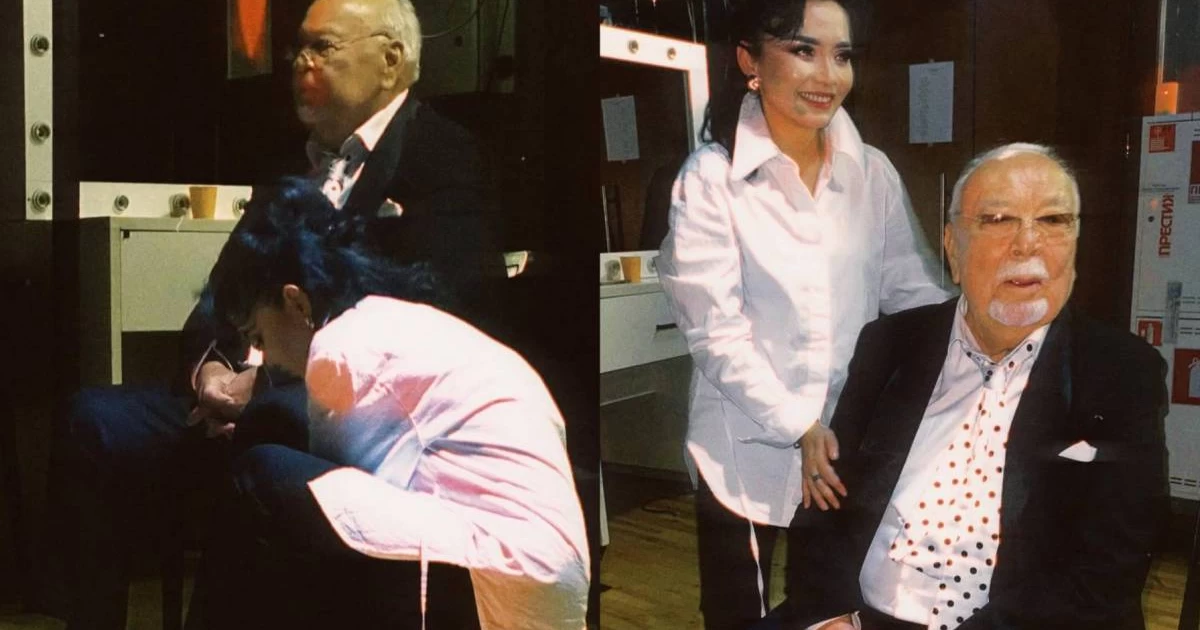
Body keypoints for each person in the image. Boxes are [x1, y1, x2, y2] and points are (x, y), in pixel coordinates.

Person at [56, 0, 502, 627]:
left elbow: (437, 312)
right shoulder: (290, 167)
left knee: (269, 430)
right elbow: (224, 291)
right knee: (94, 419)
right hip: (239, 393)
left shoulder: (446, 156)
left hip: (346, 408)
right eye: (298, 48)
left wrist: (265, 385)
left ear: (391, 60)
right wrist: (212, 370)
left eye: (323, 47)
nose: (300, 63)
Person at [780, 144, 1169, 630]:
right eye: (998, 219)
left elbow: (1109, 568)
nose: (1028, 244)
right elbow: (825, 502)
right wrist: (829, 614)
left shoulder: (1120, 372)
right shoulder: (891, 344)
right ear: (953, 248)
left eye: (1053, 220)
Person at [655, 0, 951, 627]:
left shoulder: (871, 174)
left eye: (841, 55)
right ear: (749, 61)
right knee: (741, 614)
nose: (827, 75)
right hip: (745, 452)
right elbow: (716, 334)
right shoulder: (710, 180)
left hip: (843, 450)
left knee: (828, 612)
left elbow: (913, 294)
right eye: (802, 50)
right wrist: (800, 424)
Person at [196, 178, 589, 629]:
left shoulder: (339, 351)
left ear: (296, 302)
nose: (265, 357)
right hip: (542, 579)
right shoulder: (384, 322)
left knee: (258, 473)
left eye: (260, 337)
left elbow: (347, 475)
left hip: (495, 578)